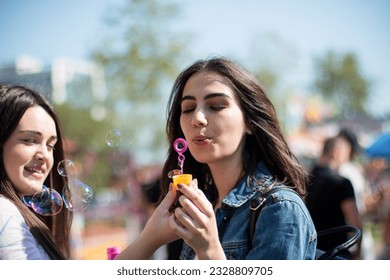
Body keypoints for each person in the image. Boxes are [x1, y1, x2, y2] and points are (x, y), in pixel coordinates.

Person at [116, 56, 317, 260]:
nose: (197, 118)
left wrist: (209, 251)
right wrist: (150, 238)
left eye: (216, 105)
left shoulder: (279, 209)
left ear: (250, 121)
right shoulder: (203, 206)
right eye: (188, 108)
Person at [0, 84, 72, 259]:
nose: (44, 156)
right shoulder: (4, 212)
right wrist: (148, 239)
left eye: (50, 146)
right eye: (29, 140)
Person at [306, 136, 363, 259]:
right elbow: (355, 221)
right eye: (346, 155)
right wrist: (358, 252)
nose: (346, 160)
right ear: (336, 152)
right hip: (335, 252)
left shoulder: (303, 179)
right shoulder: (342, 183)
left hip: (308, 252)